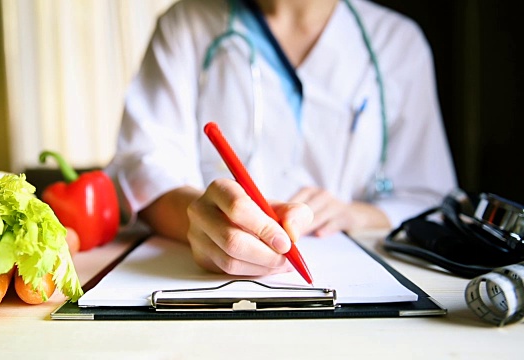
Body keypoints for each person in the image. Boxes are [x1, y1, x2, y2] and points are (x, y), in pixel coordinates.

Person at [105, 0, 457, 278]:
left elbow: (430, 196)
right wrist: (199, 222)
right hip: (202, 281)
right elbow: (143, 169)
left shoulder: (398, 42)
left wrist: (359, 214)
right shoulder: (187, 23)